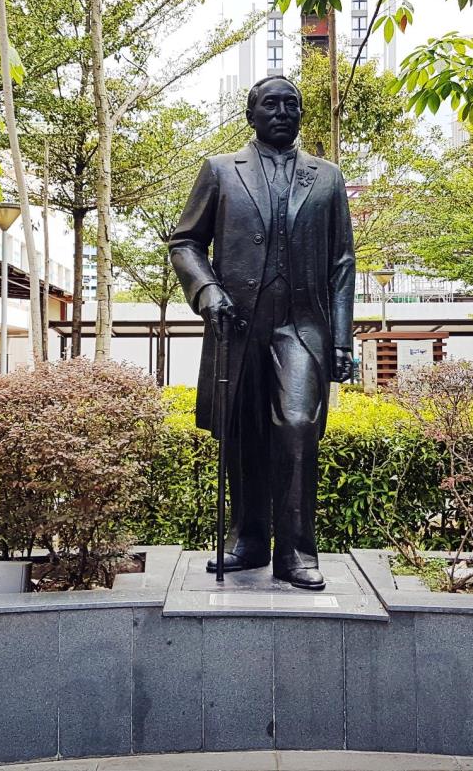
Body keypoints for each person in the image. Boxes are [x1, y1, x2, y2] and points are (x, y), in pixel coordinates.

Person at [169, 75, 355, 590]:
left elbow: (342, 262)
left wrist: (342, 340)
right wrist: (206, 291)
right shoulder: (220, 171)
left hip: (301, 326)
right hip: (239, 324)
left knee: (296, 426)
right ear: (250, 115)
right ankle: (248, 539)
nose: (282, 112)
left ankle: (296, 551)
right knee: (242, 432)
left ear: (301, 115)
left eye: (290, 105)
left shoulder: (327, 177)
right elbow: (185, 243)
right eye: (270, 104)